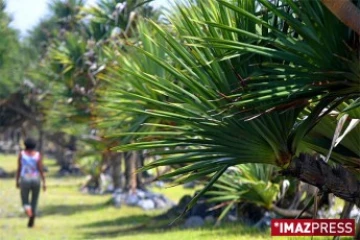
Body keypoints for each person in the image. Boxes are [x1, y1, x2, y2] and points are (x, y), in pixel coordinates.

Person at [15, 138, 46, 228]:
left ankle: (30, 214)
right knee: (34, 200)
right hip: (36, 179)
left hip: (25, 178)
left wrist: (17, 181)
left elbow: (19, 168)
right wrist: (44, 182)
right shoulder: (37, 155)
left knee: (25, 200)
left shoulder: (22, 154)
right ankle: (32, 220)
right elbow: (40, 169)